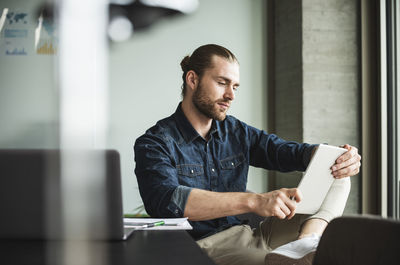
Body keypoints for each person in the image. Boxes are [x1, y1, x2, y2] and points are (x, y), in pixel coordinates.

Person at [134, 44, 361, 265]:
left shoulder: (236, 131)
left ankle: (306, 243)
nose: (230, 95)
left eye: (235, 86)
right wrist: (255, 201)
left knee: (337, 174)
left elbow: (282, 151)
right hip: (202, 247)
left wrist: (336, 156)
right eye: (222, 83)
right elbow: (169, 201)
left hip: (252, 236)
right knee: (264, 261)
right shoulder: (155, 143)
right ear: (193, 80)